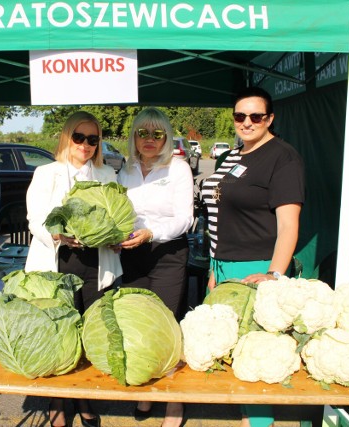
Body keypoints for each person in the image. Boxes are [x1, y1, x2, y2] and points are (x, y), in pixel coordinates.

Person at [201, 87, 305, 427]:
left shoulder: (282, 157)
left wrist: (274, 275)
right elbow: (220, 213)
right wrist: (214, 266)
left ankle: (258, 423)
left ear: (270, 118)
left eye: (255, 116)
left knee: (256, 359)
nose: (247, 122)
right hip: (223, 267)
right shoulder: (233, 155)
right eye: (240, 116)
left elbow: (288, 226)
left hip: (256, 270)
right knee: (233, 356)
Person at [25, 111, 120, 427]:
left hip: (96, 262)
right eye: (79, 137)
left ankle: (84, 396)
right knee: (60, 332)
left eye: (93, 139)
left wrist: (115, 234)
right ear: (67, 137)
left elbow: (118, 218)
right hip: (57, 262)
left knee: (90, 329)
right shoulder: (46, 173)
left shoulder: (108, 175)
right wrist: (58, 235)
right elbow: (34, 219)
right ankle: (58, 401)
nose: (86, 145)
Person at [117, 107, 193, 427]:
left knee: (167, 324)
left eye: (157, 134)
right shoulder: (125, 170)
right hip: (132, 255)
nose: (149, 140)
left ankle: (174, 405)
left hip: (167, 254)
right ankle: (146, 393)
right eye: (143, 133)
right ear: (134, 136)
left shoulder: (178, 169)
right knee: (137, 324)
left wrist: (153, 233)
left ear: (167, 137)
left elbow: (185, 218)